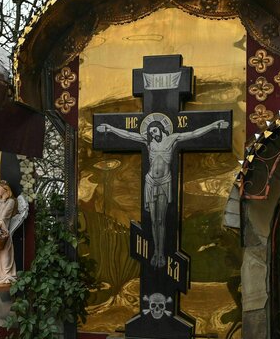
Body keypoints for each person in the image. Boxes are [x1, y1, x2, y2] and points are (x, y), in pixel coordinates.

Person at [96, 114, 228, 267]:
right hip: (150, 182)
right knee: (153, 221)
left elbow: (193, 133)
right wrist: (110, 128)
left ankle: (161, 253)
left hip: (164, 182)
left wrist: (213, 126)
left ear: (161, 129)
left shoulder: (172, 138)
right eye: (150, 132)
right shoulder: (148, 142)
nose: (152, 134)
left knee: (161, 220)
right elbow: (128, 135)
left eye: (154, 131)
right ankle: (156, 253)